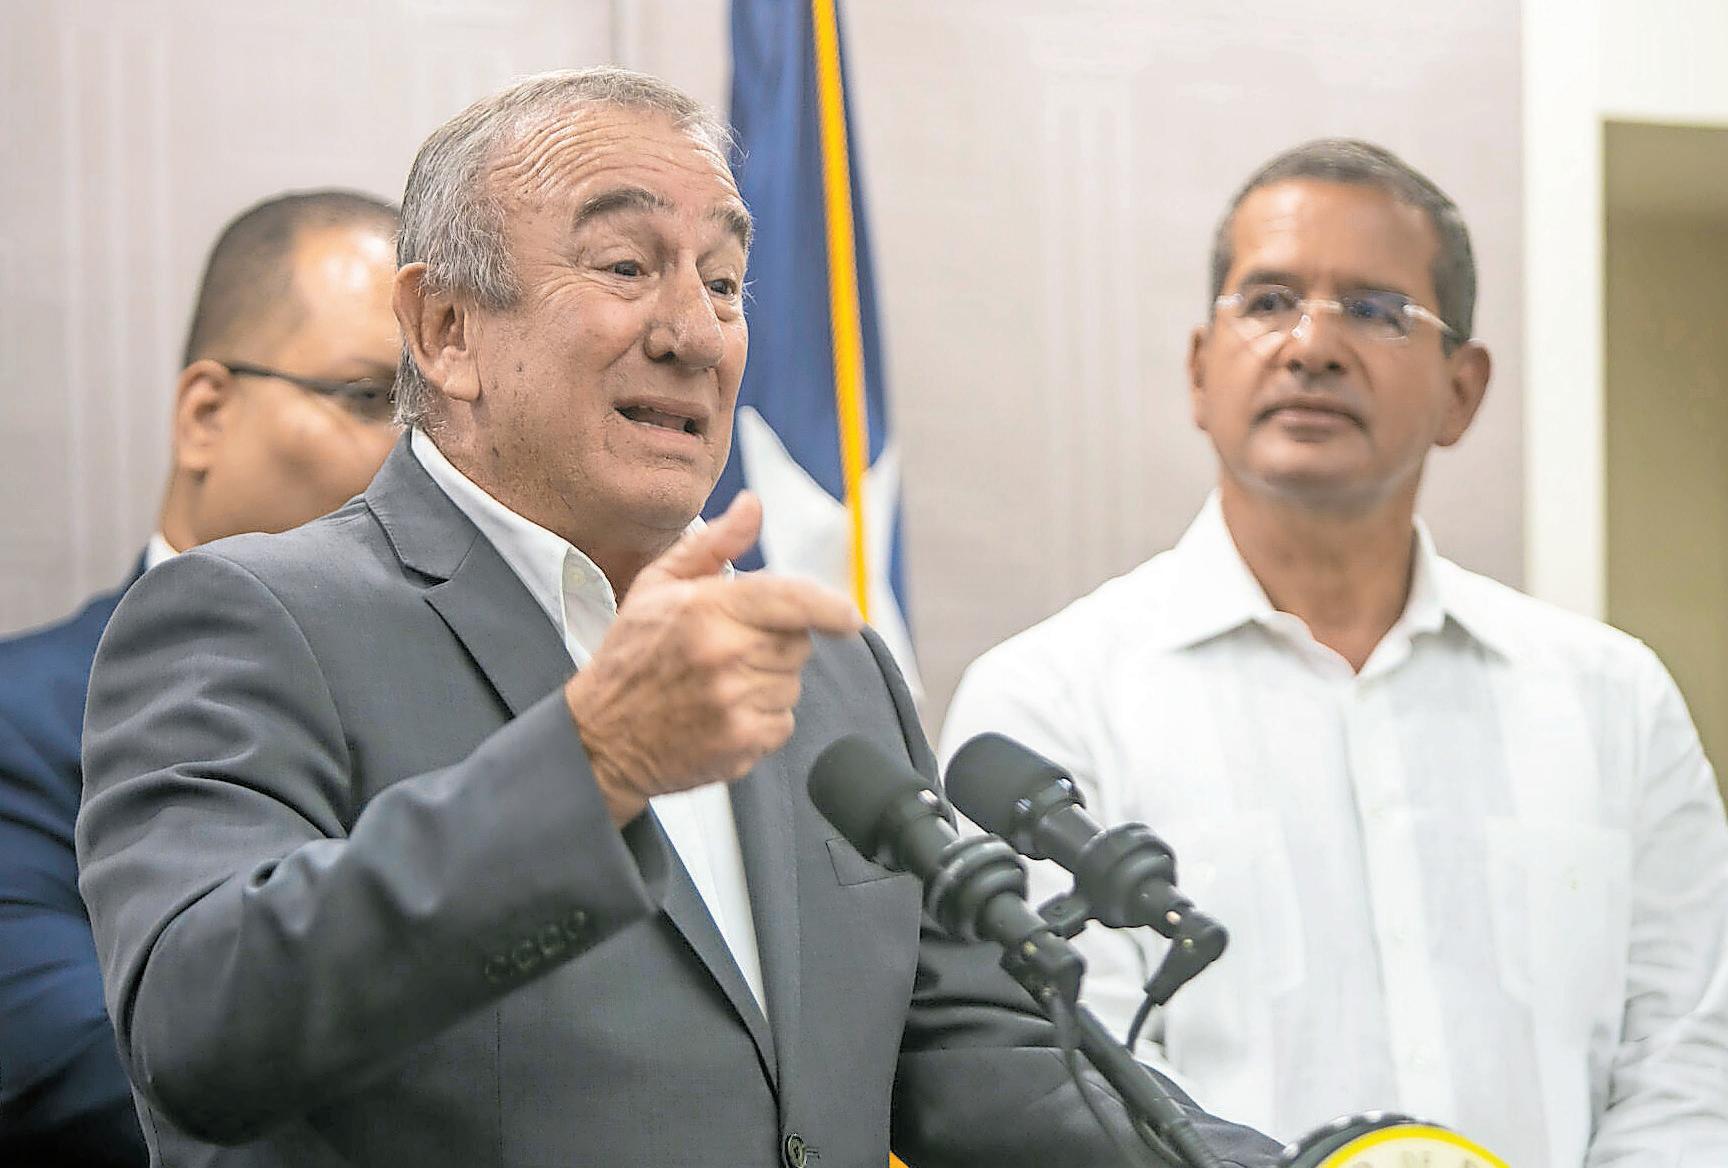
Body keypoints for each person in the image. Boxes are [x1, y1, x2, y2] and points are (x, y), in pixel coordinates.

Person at [75, 68, 1280, 1167]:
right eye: (624, 267)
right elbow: (197, 1024)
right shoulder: (251, 620)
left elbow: (990, 1056)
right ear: (445, 328)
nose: (694, 334)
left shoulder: (826, 669)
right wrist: (591, 763)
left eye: (722, 282)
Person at [940, 138, 1728, 1168]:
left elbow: (1690, 1064)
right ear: (1199, 369)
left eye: (1375, 309)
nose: (1311, 344)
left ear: (1462, 390)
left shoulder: (1614, 701)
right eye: (1269, 301)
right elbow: (1064, 1079)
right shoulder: (1048, 701)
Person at [0, 189, 401, 1166]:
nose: (418, 461)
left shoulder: (485, 716)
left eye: (441, 421)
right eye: (369, 398)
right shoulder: (20, 724)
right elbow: (88, 1075)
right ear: (206, 415)